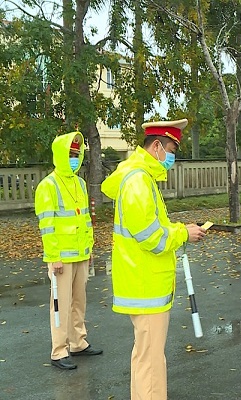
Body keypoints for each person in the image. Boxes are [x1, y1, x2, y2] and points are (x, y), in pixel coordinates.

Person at [101, 119, 205, 400]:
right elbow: (151, 237)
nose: (172, 157)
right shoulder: (138, 181)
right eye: (171, 149)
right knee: (149, 362)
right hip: (145, 284)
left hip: (146, 283)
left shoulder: (142, 178)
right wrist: (183, 234)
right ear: (156, 146)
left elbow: (153, 227)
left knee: (148, 358)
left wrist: (181, 230)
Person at [35, 131, 103, 370]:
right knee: (60, 305)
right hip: (61, 258)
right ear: (61, 155)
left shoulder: (80, 183)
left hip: (81, 254)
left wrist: (89, 249)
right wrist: (53, 258)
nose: (75, 158)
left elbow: (85, 220)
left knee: (78, 302)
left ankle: (78, 343)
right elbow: (47, 226)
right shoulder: (48, 186)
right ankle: (59, 351)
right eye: (71, 154)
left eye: (78, 153)